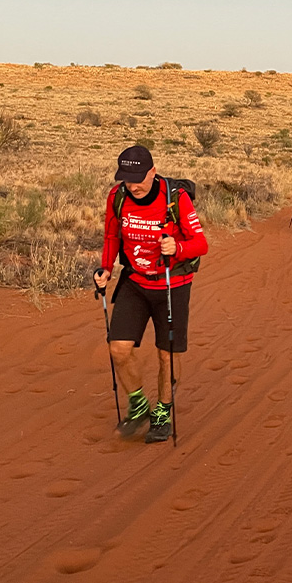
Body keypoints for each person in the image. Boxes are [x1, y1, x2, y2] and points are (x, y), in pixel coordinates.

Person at [93, 145, 209, 444]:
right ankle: (139, 404)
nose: (133, 185)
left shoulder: (176, 198)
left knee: (166, 354)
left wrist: (178, 248)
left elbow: (200, 243)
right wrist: (106, 269)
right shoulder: (117, 197)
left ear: (152, 172)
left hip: (173, 284)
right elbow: (111, 235)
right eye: (127, 178)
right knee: (118, 348)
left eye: (139, 178)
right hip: (134, 282)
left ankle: (163, 410)